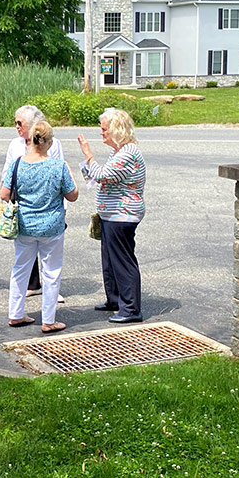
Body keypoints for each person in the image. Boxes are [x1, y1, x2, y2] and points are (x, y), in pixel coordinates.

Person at [0, 121, 78, 333]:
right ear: (49, 143)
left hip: (24, 225)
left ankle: (15, 314)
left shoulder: (17, 164)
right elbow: (73, 195)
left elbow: (4, 194)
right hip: (51, 226)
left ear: (31, 140)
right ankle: (49, 319)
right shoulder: (58, 166)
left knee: (20, 269)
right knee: (51, 272)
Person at [77, 108, 146, 323]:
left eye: (104, 129)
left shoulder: (128, 152)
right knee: (109, 260)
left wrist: (88, 155)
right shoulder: (118, 151)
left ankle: (131, 309)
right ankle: (115, 300)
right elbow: (104, 177)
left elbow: (103, 175)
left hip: (122, 215)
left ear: (116, 130)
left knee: (122, 260)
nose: (101, 132)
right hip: (112, 214)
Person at [2, 105, 66, 303]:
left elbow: (60, 178)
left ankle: (50, 295)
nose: (16, 126)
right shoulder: (15, 145)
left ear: (32, 125)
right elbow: (6, 174)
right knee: (23, 259)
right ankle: (33, 291)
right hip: (22, 207)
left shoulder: (53, 144)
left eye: (19, 123)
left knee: (49, 261)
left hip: (48, 207)